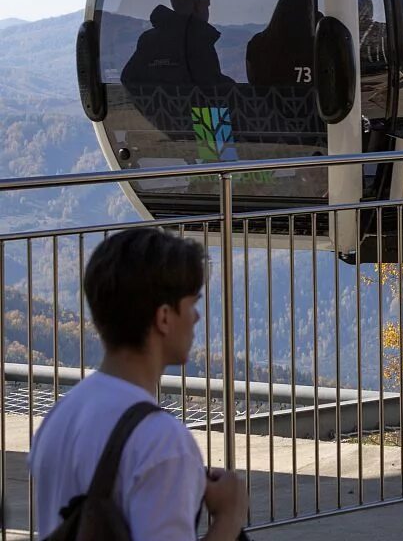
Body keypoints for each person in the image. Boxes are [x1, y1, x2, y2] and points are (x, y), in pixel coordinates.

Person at [29, 228, 247, 539]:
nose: (197, 317)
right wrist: (229, 516)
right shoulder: (163, 443)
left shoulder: (60, 416)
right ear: (164, 318)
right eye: (191, 304)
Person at [121, 0, 233, 89]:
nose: (207, 11)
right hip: (195, 107)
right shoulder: (198, 40)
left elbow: (129, 78)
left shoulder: (148, 39)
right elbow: (211, 86)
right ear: (196, 5)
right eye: (207, 5)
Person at [245, 0, 316, 86]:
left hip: (268, 101)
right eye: (309, 12)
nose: (311, 16)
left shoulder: (256, 44)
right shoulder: (313, 48)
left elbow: (254, 82)